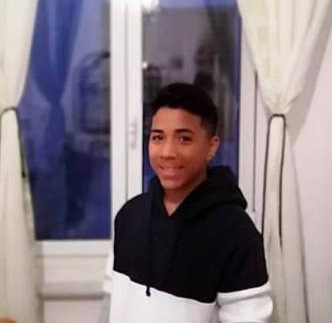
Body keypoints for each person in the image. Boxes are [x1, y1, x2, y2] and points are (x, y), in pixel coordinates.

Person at [109, 82, 272, 323]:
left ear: (211, 147)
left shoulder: (236, 232)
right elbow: (111, 300)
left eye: (184, 139)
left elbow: (249, 318)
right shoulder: (130, 215)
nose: (167, 152)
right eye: (158, 137)